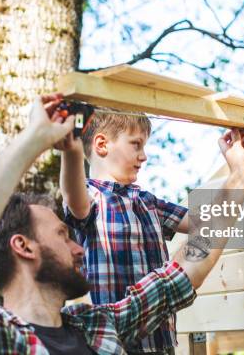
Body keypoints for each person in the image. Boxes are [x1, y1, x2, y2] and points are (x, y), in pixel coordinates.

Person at [0, 93, 244, 354]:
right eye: (63, 235)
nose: (80, 245)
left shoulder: (101, 327)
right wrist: (35, 137)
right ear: (23, 246)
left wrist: (243, 173)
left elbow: (190, 261)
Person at [57, 112, 189, 354]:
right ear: (102, 144)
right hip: (113, 343)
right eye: (136, 144)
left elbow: (206, 220)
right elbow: (73, 196)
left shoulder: (148, 201)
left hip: (161, 342)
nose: (144, 155)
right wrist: (71, 149)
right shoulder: (92, 197)